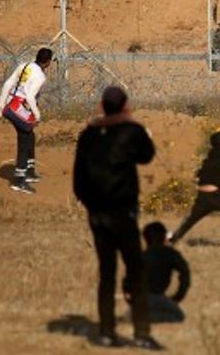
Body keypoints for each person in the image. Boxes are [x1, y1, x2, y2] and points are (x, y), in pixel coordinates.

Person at [72, 86, 163, 350]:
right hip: (123, 212)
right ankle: (142, 333)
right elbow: (146, 156)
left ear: (102, 105)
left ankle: (106, 331)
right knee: (136, 271)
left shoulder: (88, 134)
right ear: (125, 105)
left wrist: (91, 205)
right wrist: (135, 125)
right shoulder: (130, 130)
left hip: (97, 215)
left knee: (107, 272)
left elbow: (78, 178)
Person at [169, 131, 220, 253]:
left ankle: (172, 240)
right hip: (214, 195)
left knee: (190, 220)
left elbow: (199, 175)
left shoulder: (208, 158)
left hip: (202, 196)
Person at [0, 47, 52, 193]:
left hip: (11, 103)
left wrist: (1, 104)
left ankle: (29, 172)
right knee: (25, 139)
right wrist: (37, 114)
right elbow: (29, 96)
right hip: (19, 109)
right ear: (48, 63)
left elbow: (8, 84)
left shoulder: (24, 66)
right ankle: (19, 181)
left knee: (29, 135)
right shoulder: (40, 76)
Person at [125, 222, 190, 323]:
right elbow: (185, 273)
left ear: (145, 239)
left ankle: (141, 317)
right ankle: (154, 318)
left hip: (141, 299)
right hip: (159, 297)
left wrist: (131, 300)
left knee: (130, 316)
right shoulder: (170, 253)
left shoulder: (141, 256)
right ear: (164, 237)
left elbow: (127, 281)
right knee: (179, 316)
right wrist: (178, 296)